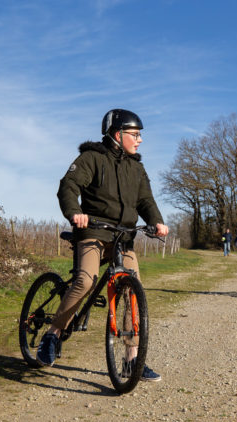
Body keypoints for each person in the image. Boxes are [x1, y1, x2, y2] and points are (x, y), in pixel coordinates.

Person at [36, 109, 169, 382]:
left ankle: (132, 361)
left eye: (140, 134)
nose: (140, 139)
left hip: (123, 237)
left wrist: (156, 221)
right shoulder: (92, 158)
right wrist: (75, 212)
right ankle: (52, 335)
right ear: (118, 134)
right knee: (85, 281)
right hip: (94, 231)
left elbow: (146, 201)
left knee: (133, 292)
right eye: (135, 134)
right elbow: (69, 186)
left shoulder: (137, 168)